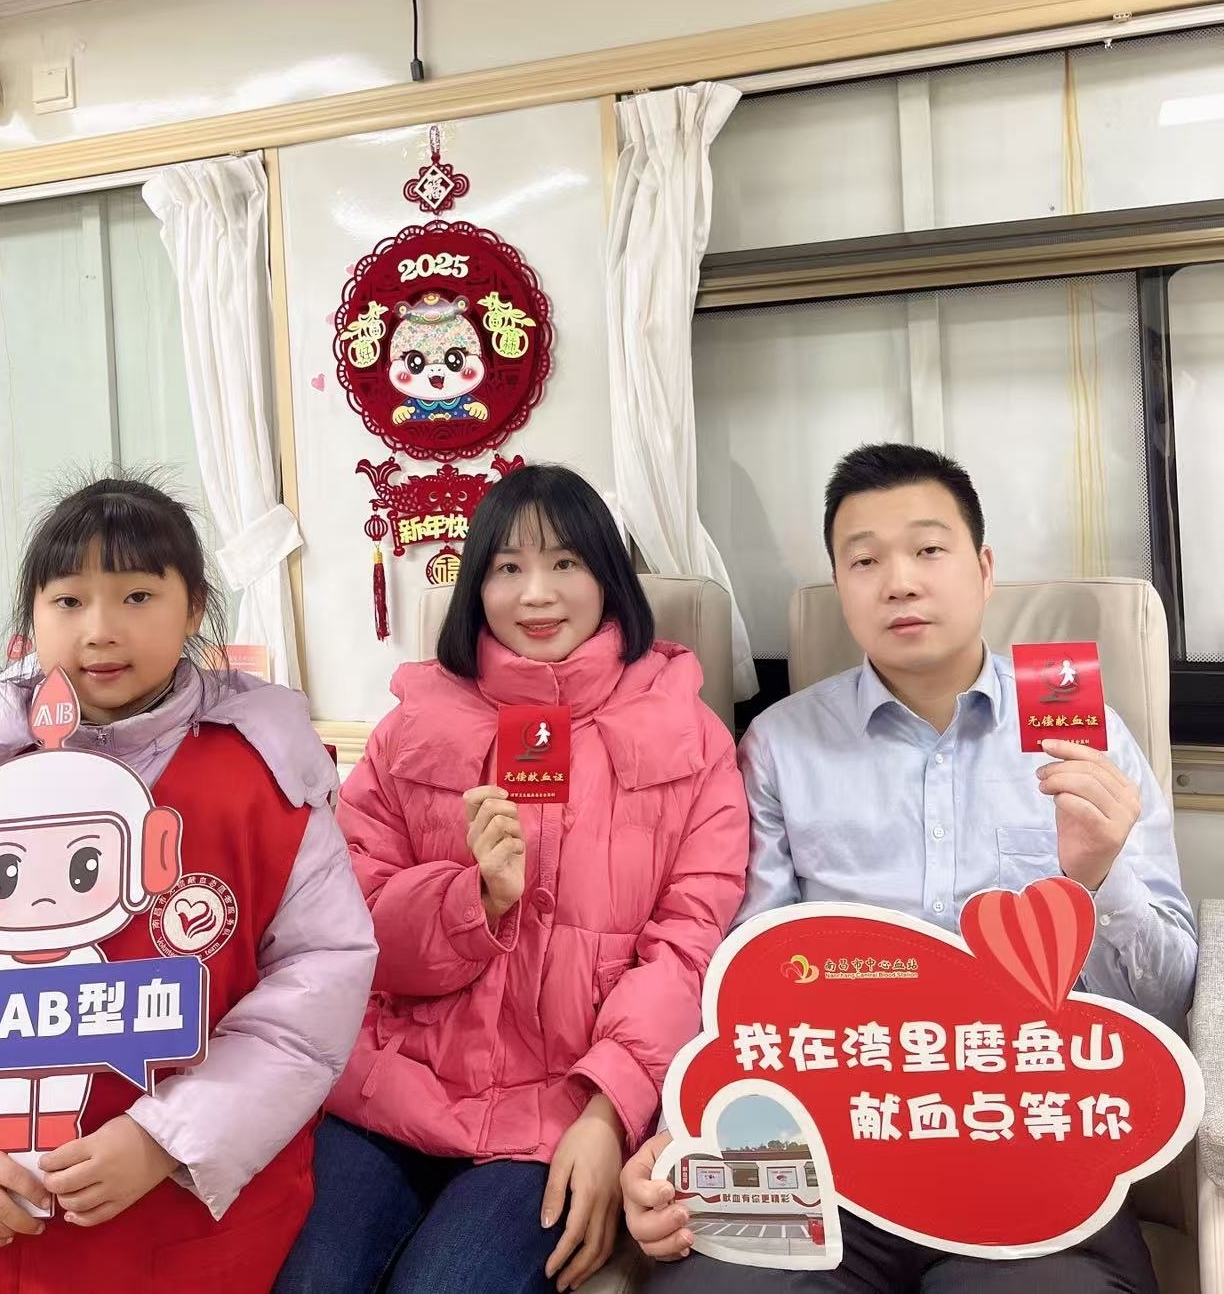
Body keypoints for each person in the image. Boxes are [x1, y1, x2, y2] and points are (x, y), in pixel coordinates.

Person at [620, 443, 1196, 1293]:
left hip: (1028, 1141)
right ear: (840, 584)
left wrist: (1100, 878)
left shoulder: (1088, 737)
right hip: (825, 1152)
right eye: (865, 561)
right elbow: (742, 982)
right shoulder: (779, 747)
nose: (899, 582)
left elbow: (1167, 1001)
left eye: (928, 549)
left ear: (984, 569)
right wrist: (685, 1126)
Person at [276, 464, 750, 1294]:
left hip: (557, 1112)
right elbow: (350, 922)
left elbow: (690, 950)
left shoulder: (690, 736)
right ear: (476, 587)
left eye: (565, 563)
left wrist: (609, 1110)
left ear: (609, 579)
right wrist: (473, 901)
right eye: (508, 567)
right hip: (392, 1084)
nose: (536, 593)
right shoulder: (411, 727)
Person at [0, 475, 377, 1292]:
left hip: (189, 1219)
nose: (101, 631)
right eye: (68, 601)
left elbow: (318, 986)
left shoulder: (264, 776)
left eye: (138, 596)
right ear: (31, 616)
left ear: (194, 606)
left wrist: (168, 1138)